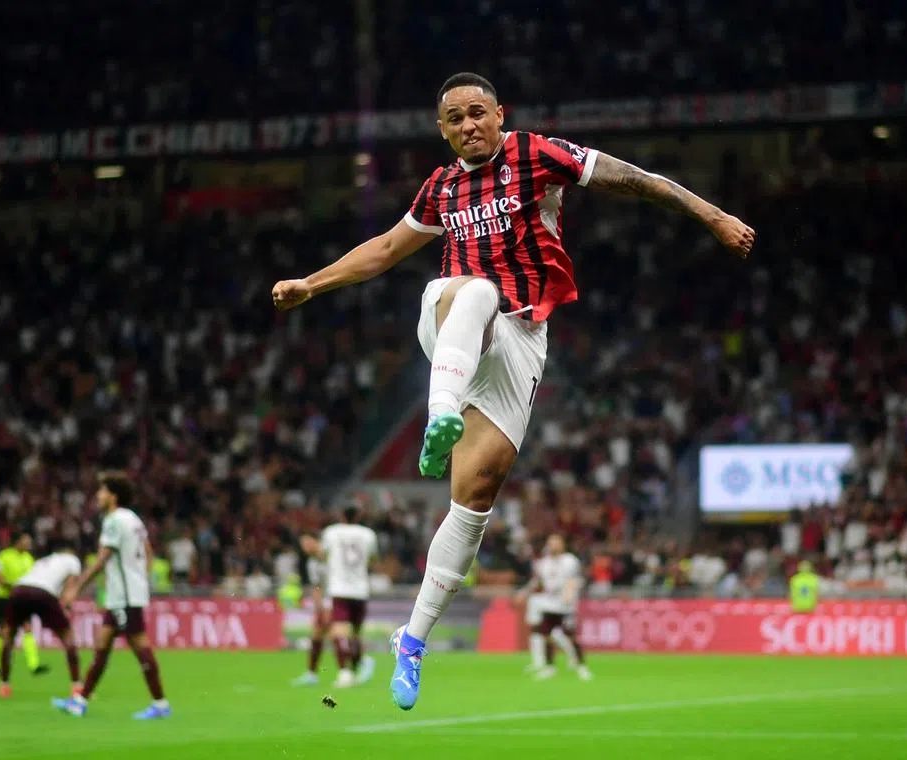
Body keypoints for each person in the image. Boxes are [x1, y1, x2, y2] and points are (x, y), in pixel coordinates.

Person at [272, 72, 754, 710]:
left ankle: (411, 642)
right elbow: (388, 248)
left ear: (500, 114)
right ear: (442, 130)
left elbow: (637, 180)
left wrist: (714, 215)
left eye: (477, 112)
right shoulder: (440, 187)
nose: (468, 125)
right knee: (473, 288)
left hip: (519, 339)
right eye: (454, 119)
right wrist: (312, 283)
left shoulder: (537, 154)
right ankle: (439, 417)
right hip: (448, 318)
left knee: (476, 497)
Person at [52, 472, 170, 720]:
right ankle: (80, 701)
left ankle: (160, 703)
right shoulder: (134, 519)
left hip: (125, 596)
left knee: (139, 645)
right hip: (124, 594)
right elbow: (148, 551)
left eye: (102, 491)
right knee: (102, 644)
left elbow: (101, 560)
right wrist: (142, 578)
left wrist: (75, 588)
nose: (98, 495)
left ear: (113, 496)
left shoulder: (114, 520)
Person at [0, 541, 83, 698]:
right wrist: (67, 605)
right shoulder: (73, 560)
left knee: (8, 637)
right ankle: (77, 686)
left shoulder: (43, 561)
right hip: (43, 592)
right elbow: (72, 585)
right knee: (67, 637)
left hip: (19, 590)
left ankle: (4, 685)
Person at [317, 506, 379, 688]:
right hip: (360, 588)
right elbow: (373, 560)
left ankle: (346, 672)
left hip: (340, 588)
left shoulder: (331, 532)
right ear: (359, 516)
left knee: (339, 632)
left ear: (341, 515)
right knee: (355, 634)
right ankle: (358, 666)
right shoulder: (368, 534)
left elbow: (323, 554)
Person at [520, 534, 591, 680]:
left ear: (563, 545)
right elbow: (537, 582)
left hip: (565, 604)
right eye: (551, 543)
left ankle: (581, 667)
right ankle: (549, 667)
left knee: (569, 636)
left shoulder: (570, 561)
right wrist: (524, 592)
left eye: (556, 543)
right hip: (549, 604)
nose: (553, 546)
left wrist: (569, 595)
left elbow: (574, 579)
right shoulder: (543, 563)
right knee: (545, 636)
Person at [0, 532, 48, 677]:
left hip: (23, 600)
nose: (29, 544)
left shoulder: (29, 559)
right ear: (18, 542)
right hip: (5, 599)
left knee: (27, 628)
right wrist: (15, 587)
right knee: (3, 632)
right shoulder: (4, 556)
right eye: (26, 541)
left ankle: (34, 665)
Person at [290, 534, 331, 687]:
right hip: (327, 600)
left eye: (307, 542)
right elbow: (317, 587)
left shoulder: (331, 553)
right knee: (318, 635)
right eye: (302, 545)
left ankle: (357, 664)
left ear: (315, 540)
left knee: (332, 634)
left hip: (339, 597)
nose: (305, 547)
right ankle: (311, 674)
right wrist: (319, 608)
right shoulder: (312, 563)